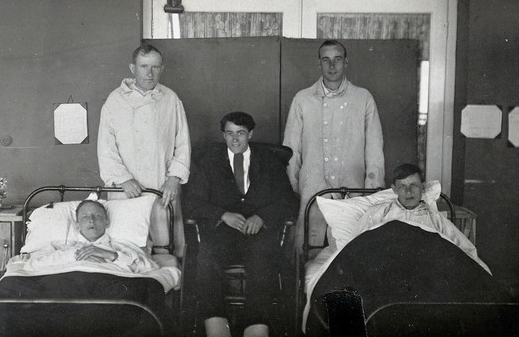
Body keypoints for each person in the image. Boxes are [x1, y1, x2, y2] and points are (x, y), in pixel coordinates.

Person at [182, 112, 298, 337]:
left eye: (241, 134)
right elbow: (192, 202)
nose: (235, 140)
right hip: (221, 232)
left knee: (262, 260)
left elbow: (287, 200)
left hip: (258, 233)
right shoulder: (208, 164)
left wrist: (262, 217)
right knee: (205, 257)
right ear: (224, 135)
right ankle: (217, 325)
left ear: (250, 134)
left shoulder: (270, 163)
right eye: (230, 134)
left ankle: (255, 327)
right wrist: (223, 214)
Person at [283, 39, 385, 252]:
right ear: (319, 63)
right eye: (326, 60)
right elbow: (291, 150)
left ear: (345, 62)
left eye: (337, 60)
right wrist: (294, 188)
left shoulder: (363, 98)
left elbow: (374, 150)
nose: (332, 66)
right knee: (310, 255)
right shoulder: (302, 99)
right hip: (313, 192)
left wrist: (370, 190)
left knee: (351, 253)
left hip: (354, 191)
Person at [97, 44, 191, 256]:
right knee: (128, 248)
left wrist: (174, 178)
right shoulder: (115, 101)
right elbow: (106, 146)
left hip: (162, 186)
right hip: (126, 191)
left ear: (162, 69)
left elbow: (182, 142)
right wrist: (122, 179)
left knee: (165, 247)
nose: (150, 73)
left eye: (155, 67)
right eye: (144, 66)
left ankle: (169, 285)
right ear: (133, 68)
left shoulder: (170, 99)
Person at [352, 163, 490, 273]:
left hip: (426, 273)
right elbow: (355, 246)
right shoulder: (379, 212)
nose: (408, 191)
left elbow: (465, 250)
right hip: (387, 271)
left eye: (414, 185)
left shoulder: (435, 219)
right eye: (402, 187)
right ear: (394, 189)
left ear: (422, 187)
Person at [24, 200, 158, 273]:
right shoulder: (61, 247)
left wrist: (109, 255)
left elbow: (149, 268)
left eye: (97, 216)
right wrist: (74, 255)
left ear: (107, 222)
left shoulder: (121, 247)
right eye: (85, 217)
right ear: (77, 225)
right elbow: (31, 266)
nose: (91, 220)